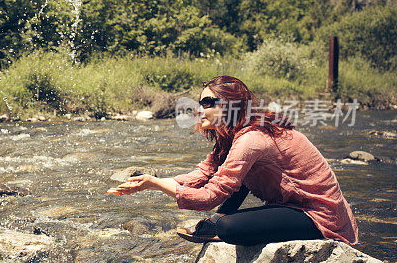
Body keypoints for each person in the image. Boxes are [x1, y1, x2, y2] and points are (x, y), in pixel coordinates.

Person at [107, 75, 358, 246]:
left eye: (207, 102)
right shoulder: (233, 137)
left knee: (228, 229)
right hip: (293, 206)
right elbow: (201, 175)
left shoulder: (252, 139)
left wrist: (155, 184)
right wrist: (151, 181)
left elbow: (209, 197)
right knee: (235, 181)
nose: (199, 109)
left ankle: (218, 223)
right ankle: (217, 222)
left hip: (320, 216)